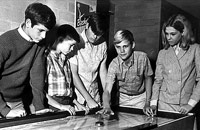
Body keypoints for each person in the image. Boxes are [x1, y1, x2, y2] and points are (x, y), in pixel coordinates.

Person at [0, 2, 56, 118]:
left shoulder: (40, 44)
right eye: (40, 30)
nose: (44, 36)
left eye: (46, 31)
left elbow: (37, 77)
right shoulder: (5, 42)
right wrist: (4, 110)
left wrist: (40, 107)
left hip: (17, 102)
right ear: (28, 23)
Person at [150, 14, 200, 116]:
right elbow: (158, 81)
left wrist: (191, 104)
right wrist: (153, 104)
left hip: (184, 105)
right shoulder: (162, 53)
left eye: (173, 34)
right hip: (164, 104)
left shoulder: (195, 49)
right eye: (166, 34)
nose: (169, 38)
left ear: (182, 33)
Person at [99, 29, 153, 116]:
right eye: (118, 47)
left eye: (125, 46)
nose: (122, 51)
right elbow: (107, 90)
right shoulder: (114, 64)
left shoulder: (143, 58)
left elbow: (148, 78)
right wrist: (106, 106)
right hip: (122, 100)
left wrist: (147, 102)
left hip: (141, 98)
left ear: (133, 45)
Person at [45, 24, 88, 115]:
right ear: (60, 39)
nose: (72, 49)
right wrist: (61, 106)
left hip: (67, 105)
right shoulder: (47, 59)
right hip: (52, 107)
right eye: (71, 45)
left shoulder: (66, 61)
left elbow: (67, 92)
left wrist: (77, 104)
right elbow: (41, 92)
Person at [69, 13, 108, 109]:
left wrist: (107, 95)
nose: (95, 37)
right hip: (78, 98)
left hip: (95, 95)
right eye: (94, 32)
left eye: (99, 35)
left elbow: (103, 72)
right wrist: (88, 99)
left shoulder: (103, 44)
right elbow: (73, 74)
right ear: (87, 25)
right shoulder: (75, 42)